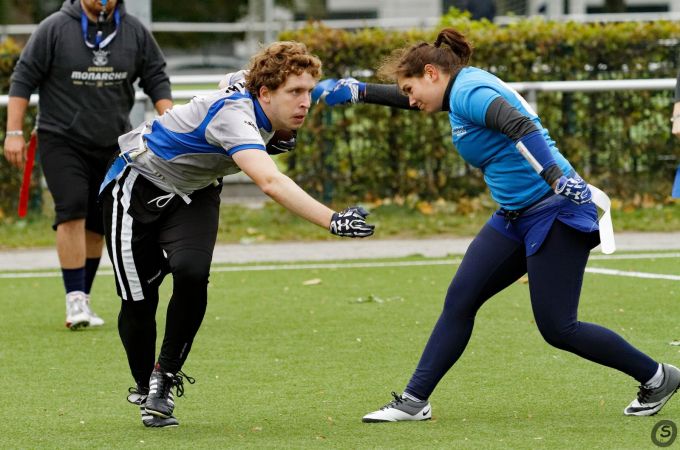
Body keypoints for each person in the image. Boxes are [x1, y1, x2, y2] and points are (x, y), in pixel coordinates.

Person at [313, 28, 680, 422]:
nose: (410, 98)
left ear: (432, 73)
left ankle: (658, 377)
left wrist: (557, 176)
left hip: (555, 212)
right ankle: (414, 401)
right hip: (513, 217)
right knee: (461, 299)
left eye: (410, 88)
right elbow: (422, 103)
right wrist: (359, 91)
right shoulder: (456, 94)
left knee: (559, 328)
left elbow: (520, 126)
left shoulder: (469, 92)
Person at [99, 40, 375, 428]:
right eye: (295, 93)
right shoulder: (234, 118)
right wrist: (333, 219)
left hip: (195, 193)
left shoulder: (255, 86)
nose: (305, 103)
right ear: (264, 93)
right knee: (139, 302)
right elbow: (269, 181)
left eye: (309, 92)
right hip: (136, 188)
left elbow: (253, 76)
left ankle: (163, 380)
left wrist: (329, 83)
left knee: (193, 273)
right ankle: (143, 382)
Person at [3, 0, 172, 330]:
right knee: (73, 207)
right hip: (60, 138)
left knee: (99, 221)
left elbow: (155, 77)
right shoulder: (54, 28)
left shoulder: (134, 31)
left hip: (112, 141)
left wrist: (171, 123)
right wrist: (13, 132)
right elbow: (23, 79)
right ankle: (75, 297)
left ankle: (83, 296)